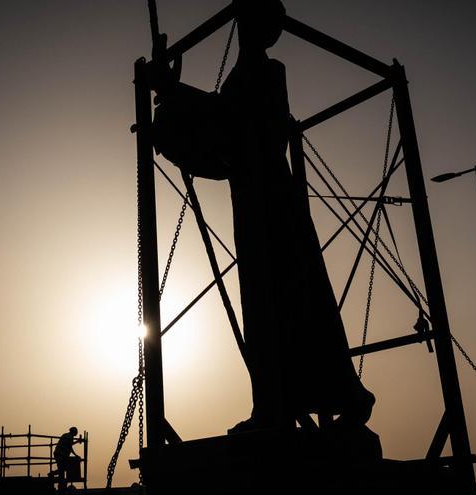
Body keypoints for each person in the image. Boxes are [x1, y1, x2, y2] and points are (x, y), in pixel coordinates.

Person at [150, 0, 375, 434]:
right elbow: (222, 132)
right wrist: (171, 108)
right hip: (255, 197)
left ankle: (311, 402)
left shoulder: (269, 74)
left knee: (284, 297)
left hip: (272, 198)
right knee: (268, 301)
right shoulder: (241, 80)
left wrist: (175, 93)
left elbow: (240, 127)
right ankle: (279, 404)